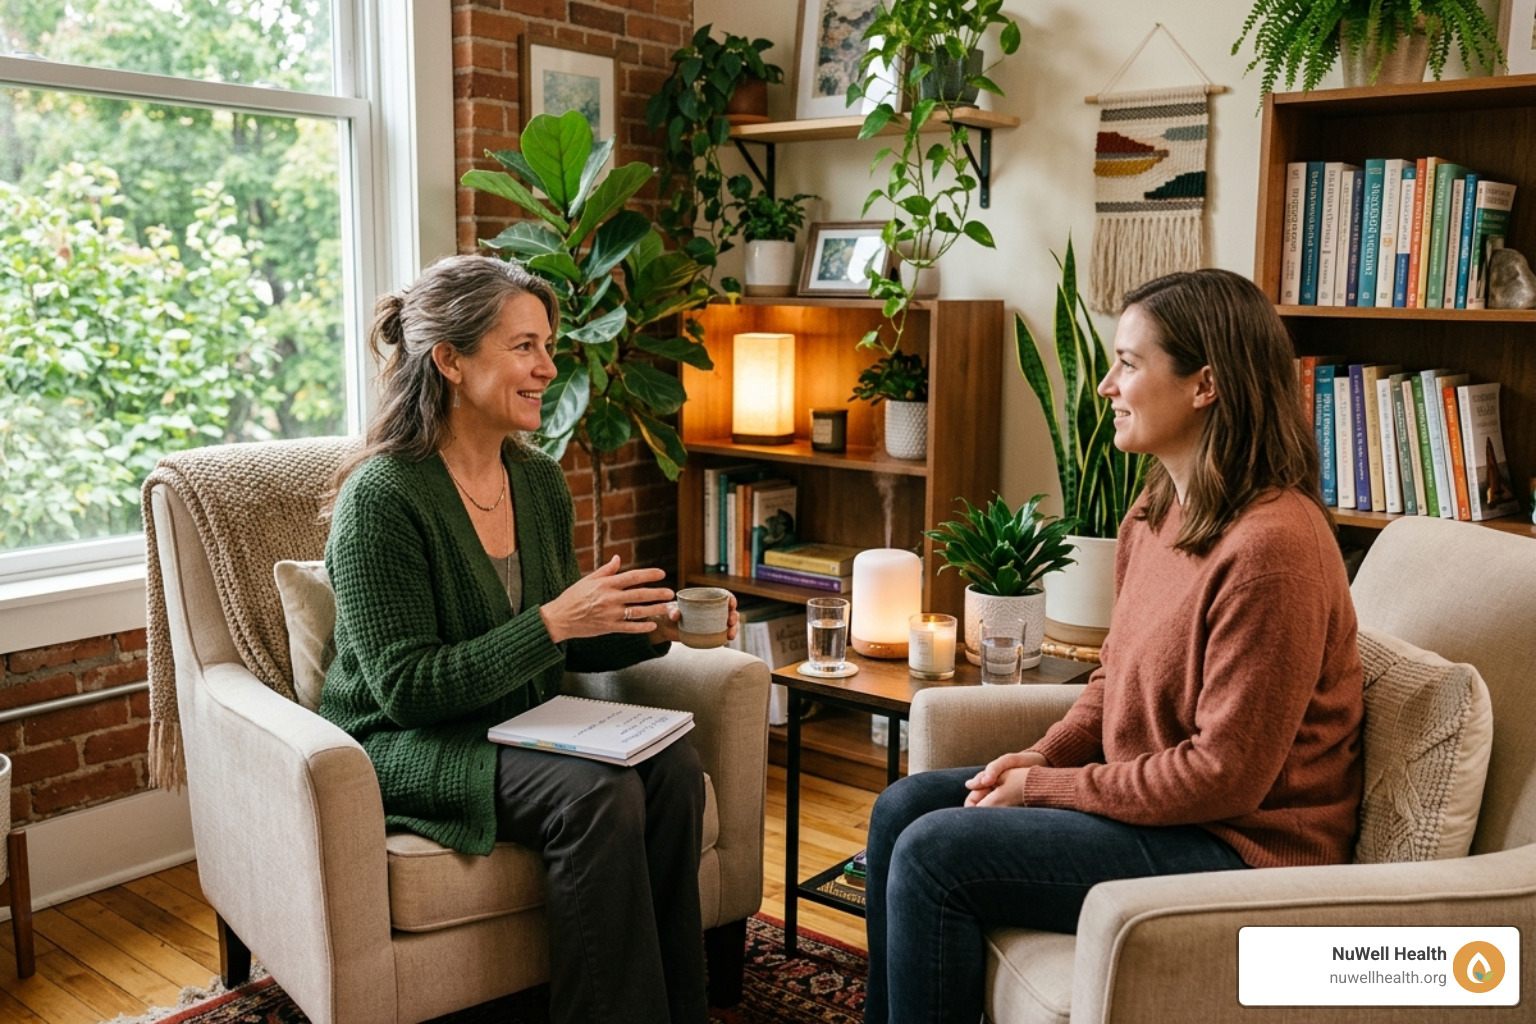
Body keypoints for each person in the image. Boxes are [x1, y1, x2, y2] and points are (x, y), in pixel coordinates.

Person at [863, 269, 1364, 1024]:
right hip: (1158, 810)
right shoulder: (1156, 511)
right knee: (903, 807)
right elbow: (1111, 679)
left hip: (1238, 848)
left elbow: (1224, 778)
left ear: (1205, 385)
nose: (1105, 386)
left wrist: (1044, 792)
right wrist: (1045, 755)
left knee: (938, 855)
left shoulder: (1275, 549)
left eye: (1128, 363)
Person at [320, 254, 735, 1024]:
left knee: (673, 767)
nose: (548, 367)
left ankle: (683, 1010)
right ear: (449, 359)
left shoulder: (537, 479)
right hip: (410, 740)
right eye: (524, 347)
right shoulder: (381, 497)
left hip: (521, 722)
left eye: (548, 345)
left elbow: (567, 641)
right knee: (597, 793)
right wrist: (551, 622)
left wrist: (653, 626)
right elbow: (406, 689)